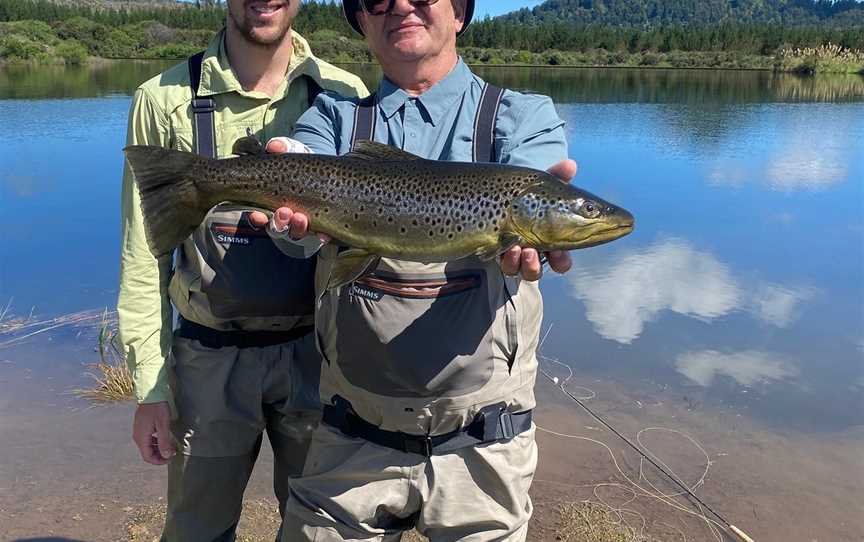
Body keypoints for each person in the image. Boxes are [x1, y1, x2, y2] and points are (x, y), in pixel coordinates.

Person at [252, 0, 577, 539]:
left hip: (485, 446)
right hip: (349, 443)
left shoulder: (520, 117)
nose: (401, 4)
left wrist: (536, 244)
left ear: (461, 14)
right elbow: (295, 233)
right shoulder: (335, 118)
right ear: (362, 22)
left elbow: (534, 178)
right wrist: (287, 205)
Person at [116, 0, 367, 539]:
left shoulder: (344, 95)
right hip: (206, 362)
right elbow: (144, 255)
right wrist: (151, 389)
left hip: (317, 360)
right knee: (196, 531)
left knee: (320, 531)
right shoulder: (163, 98)